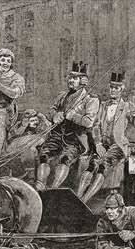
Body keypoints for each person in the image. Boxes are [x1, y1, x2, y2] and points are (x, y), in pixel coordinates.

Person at [76, 72, 135, 202]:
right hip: (102, 144)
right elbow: (95, 126)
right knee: (92, 166)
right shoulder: (103, 106)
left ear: (122, 88)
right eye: (111, 87)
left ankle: (84, 200)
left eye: (116, 88)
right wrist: (97, 144)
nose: (113, 90)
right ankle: (78, 198)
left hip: (117, 146)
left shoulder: (126, 107)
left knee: (102, 167)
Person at [36, 61, 100, 190]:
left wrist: (74, 117)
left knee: (65, 158)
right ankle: (40, 186)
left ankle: (54, 189)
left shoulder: (91, 99)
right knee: (44, 156)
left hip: (75, 139)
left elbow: (89, 122)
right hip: (57, 136)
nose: (71, 81)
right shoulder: (62, 95)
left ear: (82, 81)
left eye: (75, 78)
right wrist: (55, 115)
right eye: (70, 78)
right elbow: (51, 110)